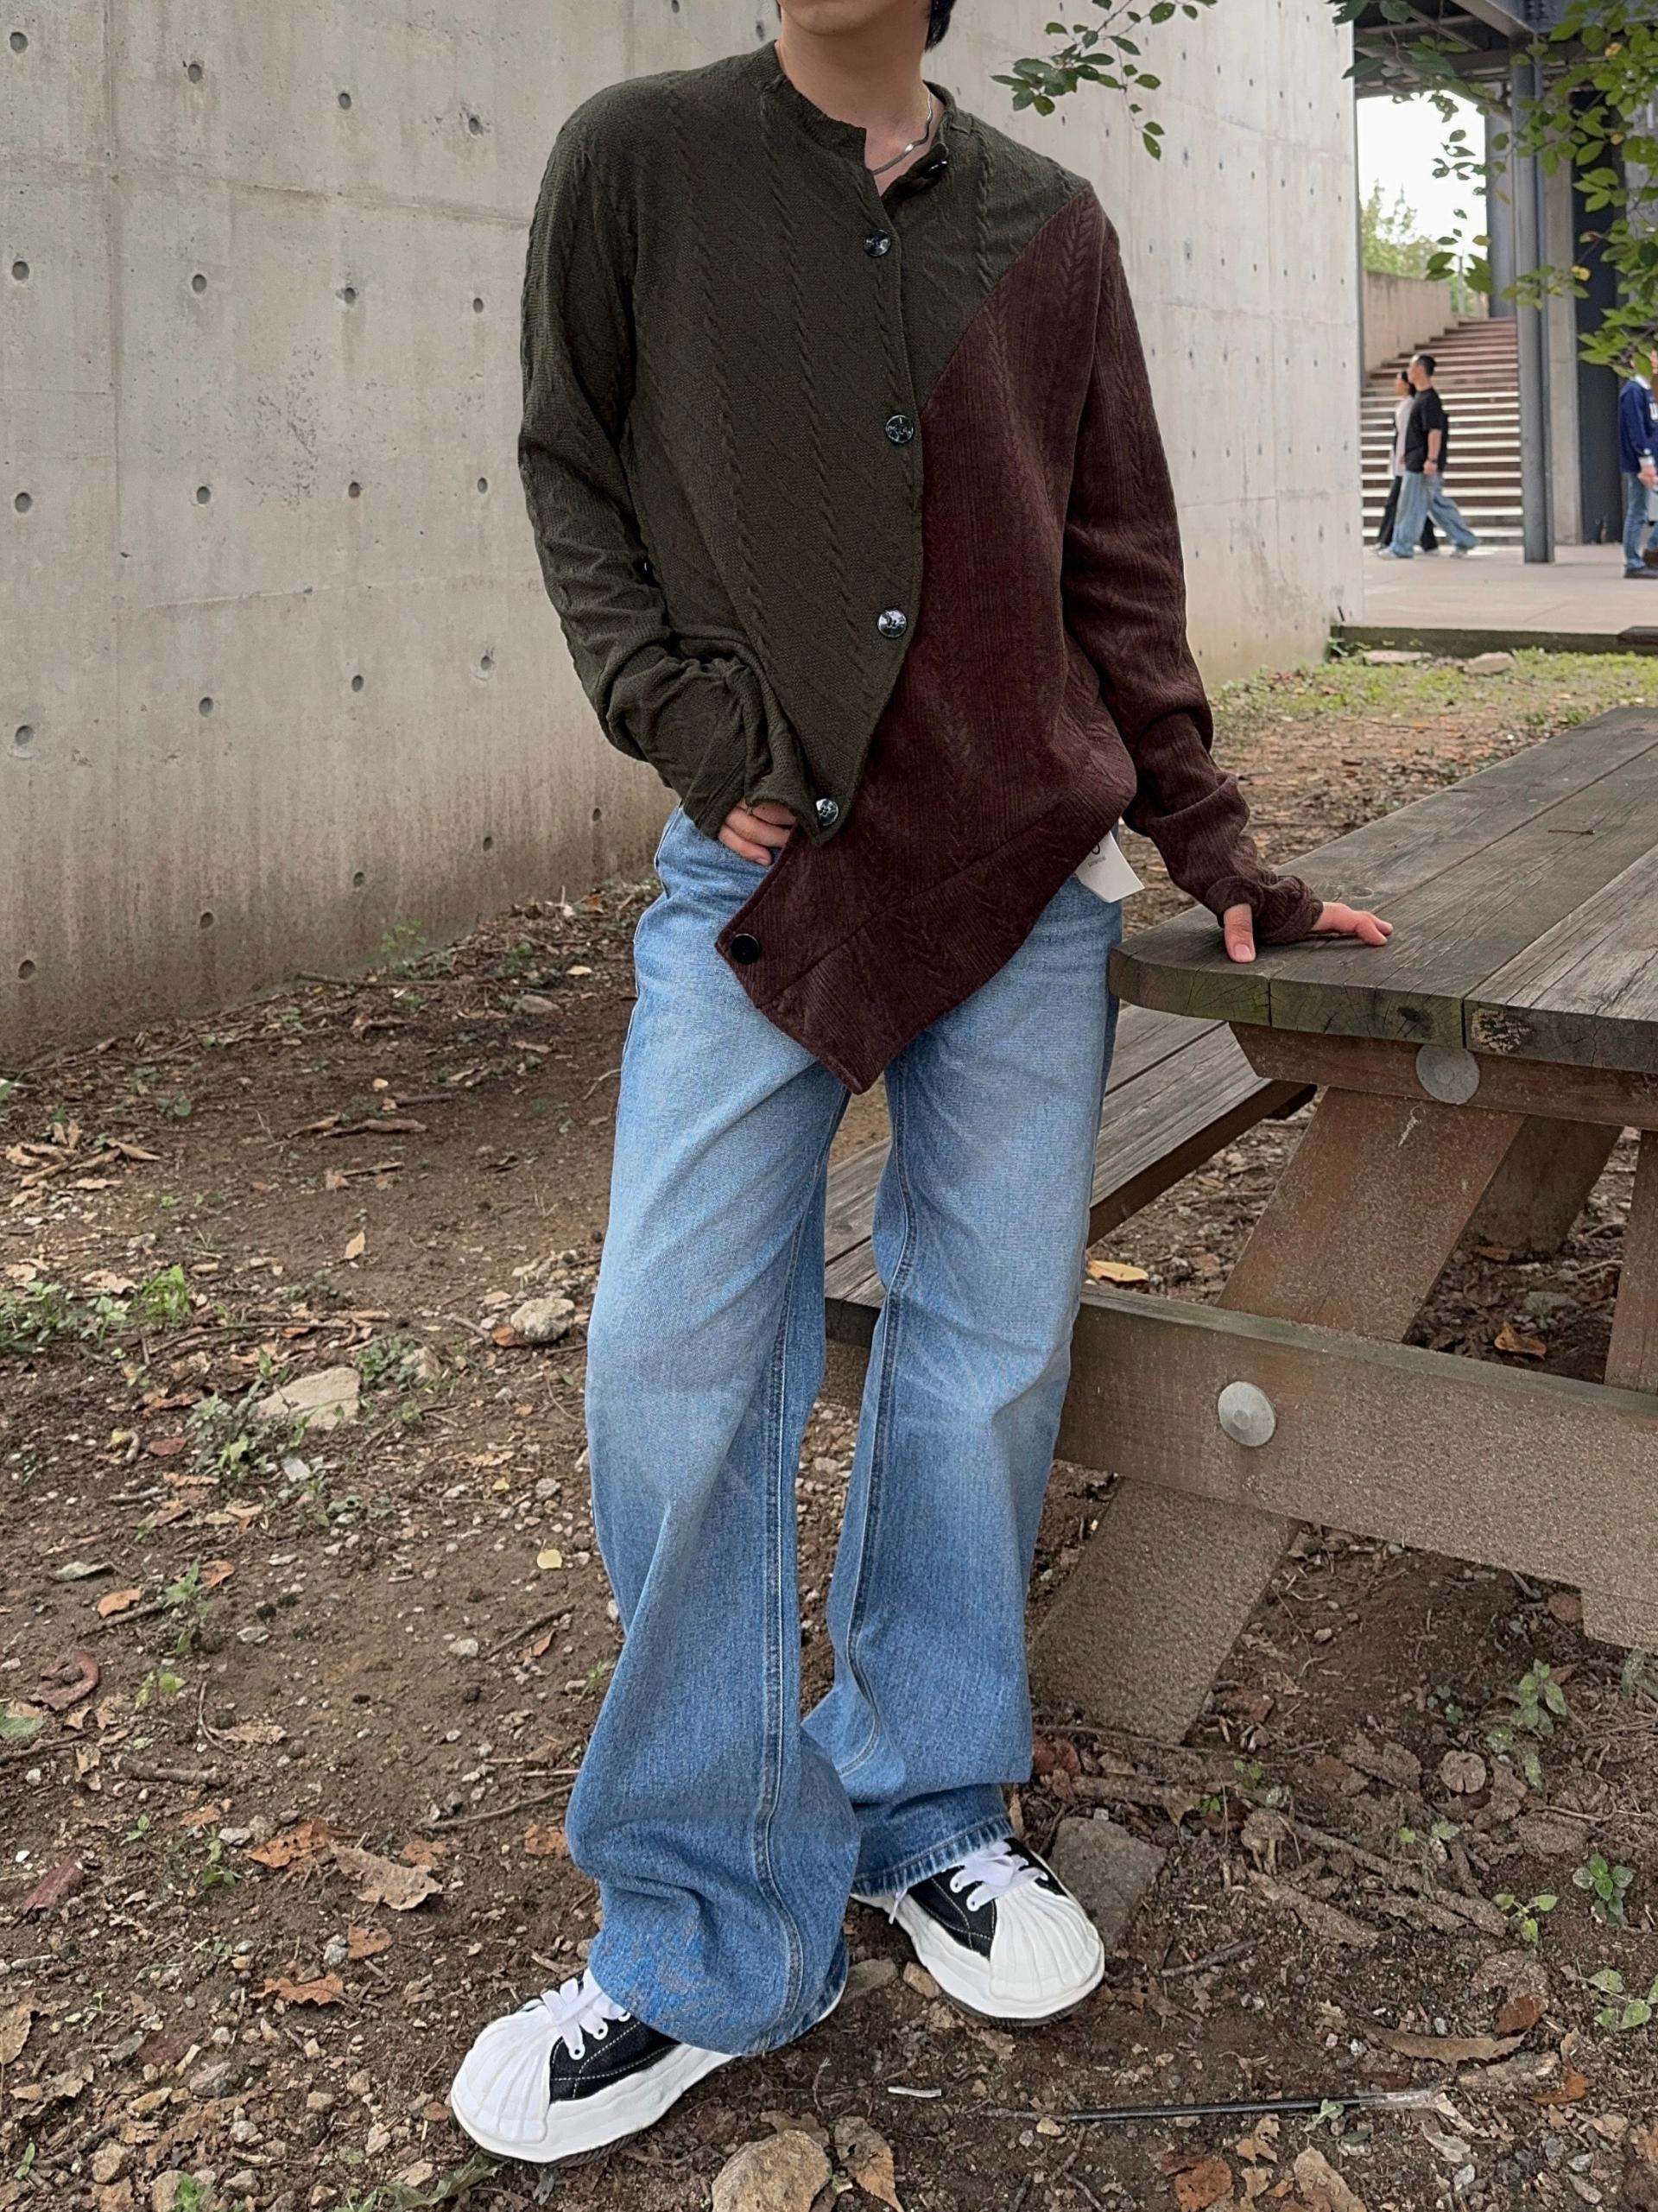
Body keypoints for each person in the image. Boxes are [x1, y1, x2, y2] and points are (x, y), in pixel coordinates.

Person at [451, 0, 1392, 2165]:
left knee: (981, 1352)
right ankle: (703, 1927)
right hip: (763, 878)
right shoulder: (642, 161)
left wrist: (1215, 847)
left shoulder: (1047, 223)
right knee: (671, 1358)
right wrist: (682, 714)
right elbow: (572, 460)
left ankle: (921, 1799)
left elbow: (1116, 560)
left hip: (1027, 882)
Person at [1380, 352, 1479, 560]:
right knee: (1437, 505)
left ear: (1420, 370)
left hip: (1422, 464)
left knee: (1410, 506)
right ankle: (1465, 539)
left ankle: (1401, 546)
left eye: (1411, 367)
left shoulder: (1429, 400)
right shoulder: (1421, 398)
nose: (1408, 372)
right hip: (1416, 460)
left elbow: (1435, 431)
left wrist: (1431, 459)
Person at [1376, 368, 1438, 554]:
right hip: (1403, 459)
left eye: (1398, 380)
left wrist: (1406, 455)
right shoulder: (1403, 405)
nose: (1395, 384)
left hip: (1407, 461)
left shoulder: (1411, 405)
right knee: (1412, 502)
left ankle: (1385, 540)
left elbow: (1408, 434)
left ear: (1406, 384)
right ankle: (1429, 543)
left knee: (1396, 502)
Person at [1618, 339, 1658, 580]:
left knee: (1640, 509)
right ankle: (1634, 562)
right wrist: (1646, 462)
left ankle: (1650, 553)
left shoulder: (1648, 390)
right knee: (1638, 510)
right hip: (1642, 462)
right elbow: (1636, 430)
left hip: (1651, 459)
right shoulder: (1634, 391)